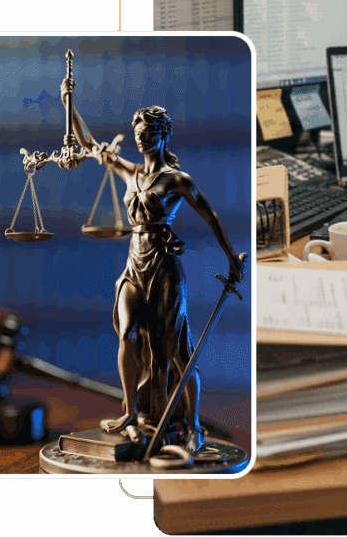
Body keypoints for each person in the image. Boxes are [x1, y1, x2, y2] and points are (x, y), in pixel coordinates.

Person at [62, 81, 245, 456]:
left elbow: (211, 217)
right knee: (128, 334)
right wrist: (70, 103)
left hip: (164, 268)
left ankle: (189, 426)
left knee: (175, 353)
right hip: (135, 261)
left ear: (163, 136)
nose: (141, 141)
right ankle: (131, 412)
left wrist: (231, 259)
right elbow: (88, 143)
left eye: (147, 135)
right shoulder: (129, 173)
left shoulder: (178, 180)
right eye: (137, 135)